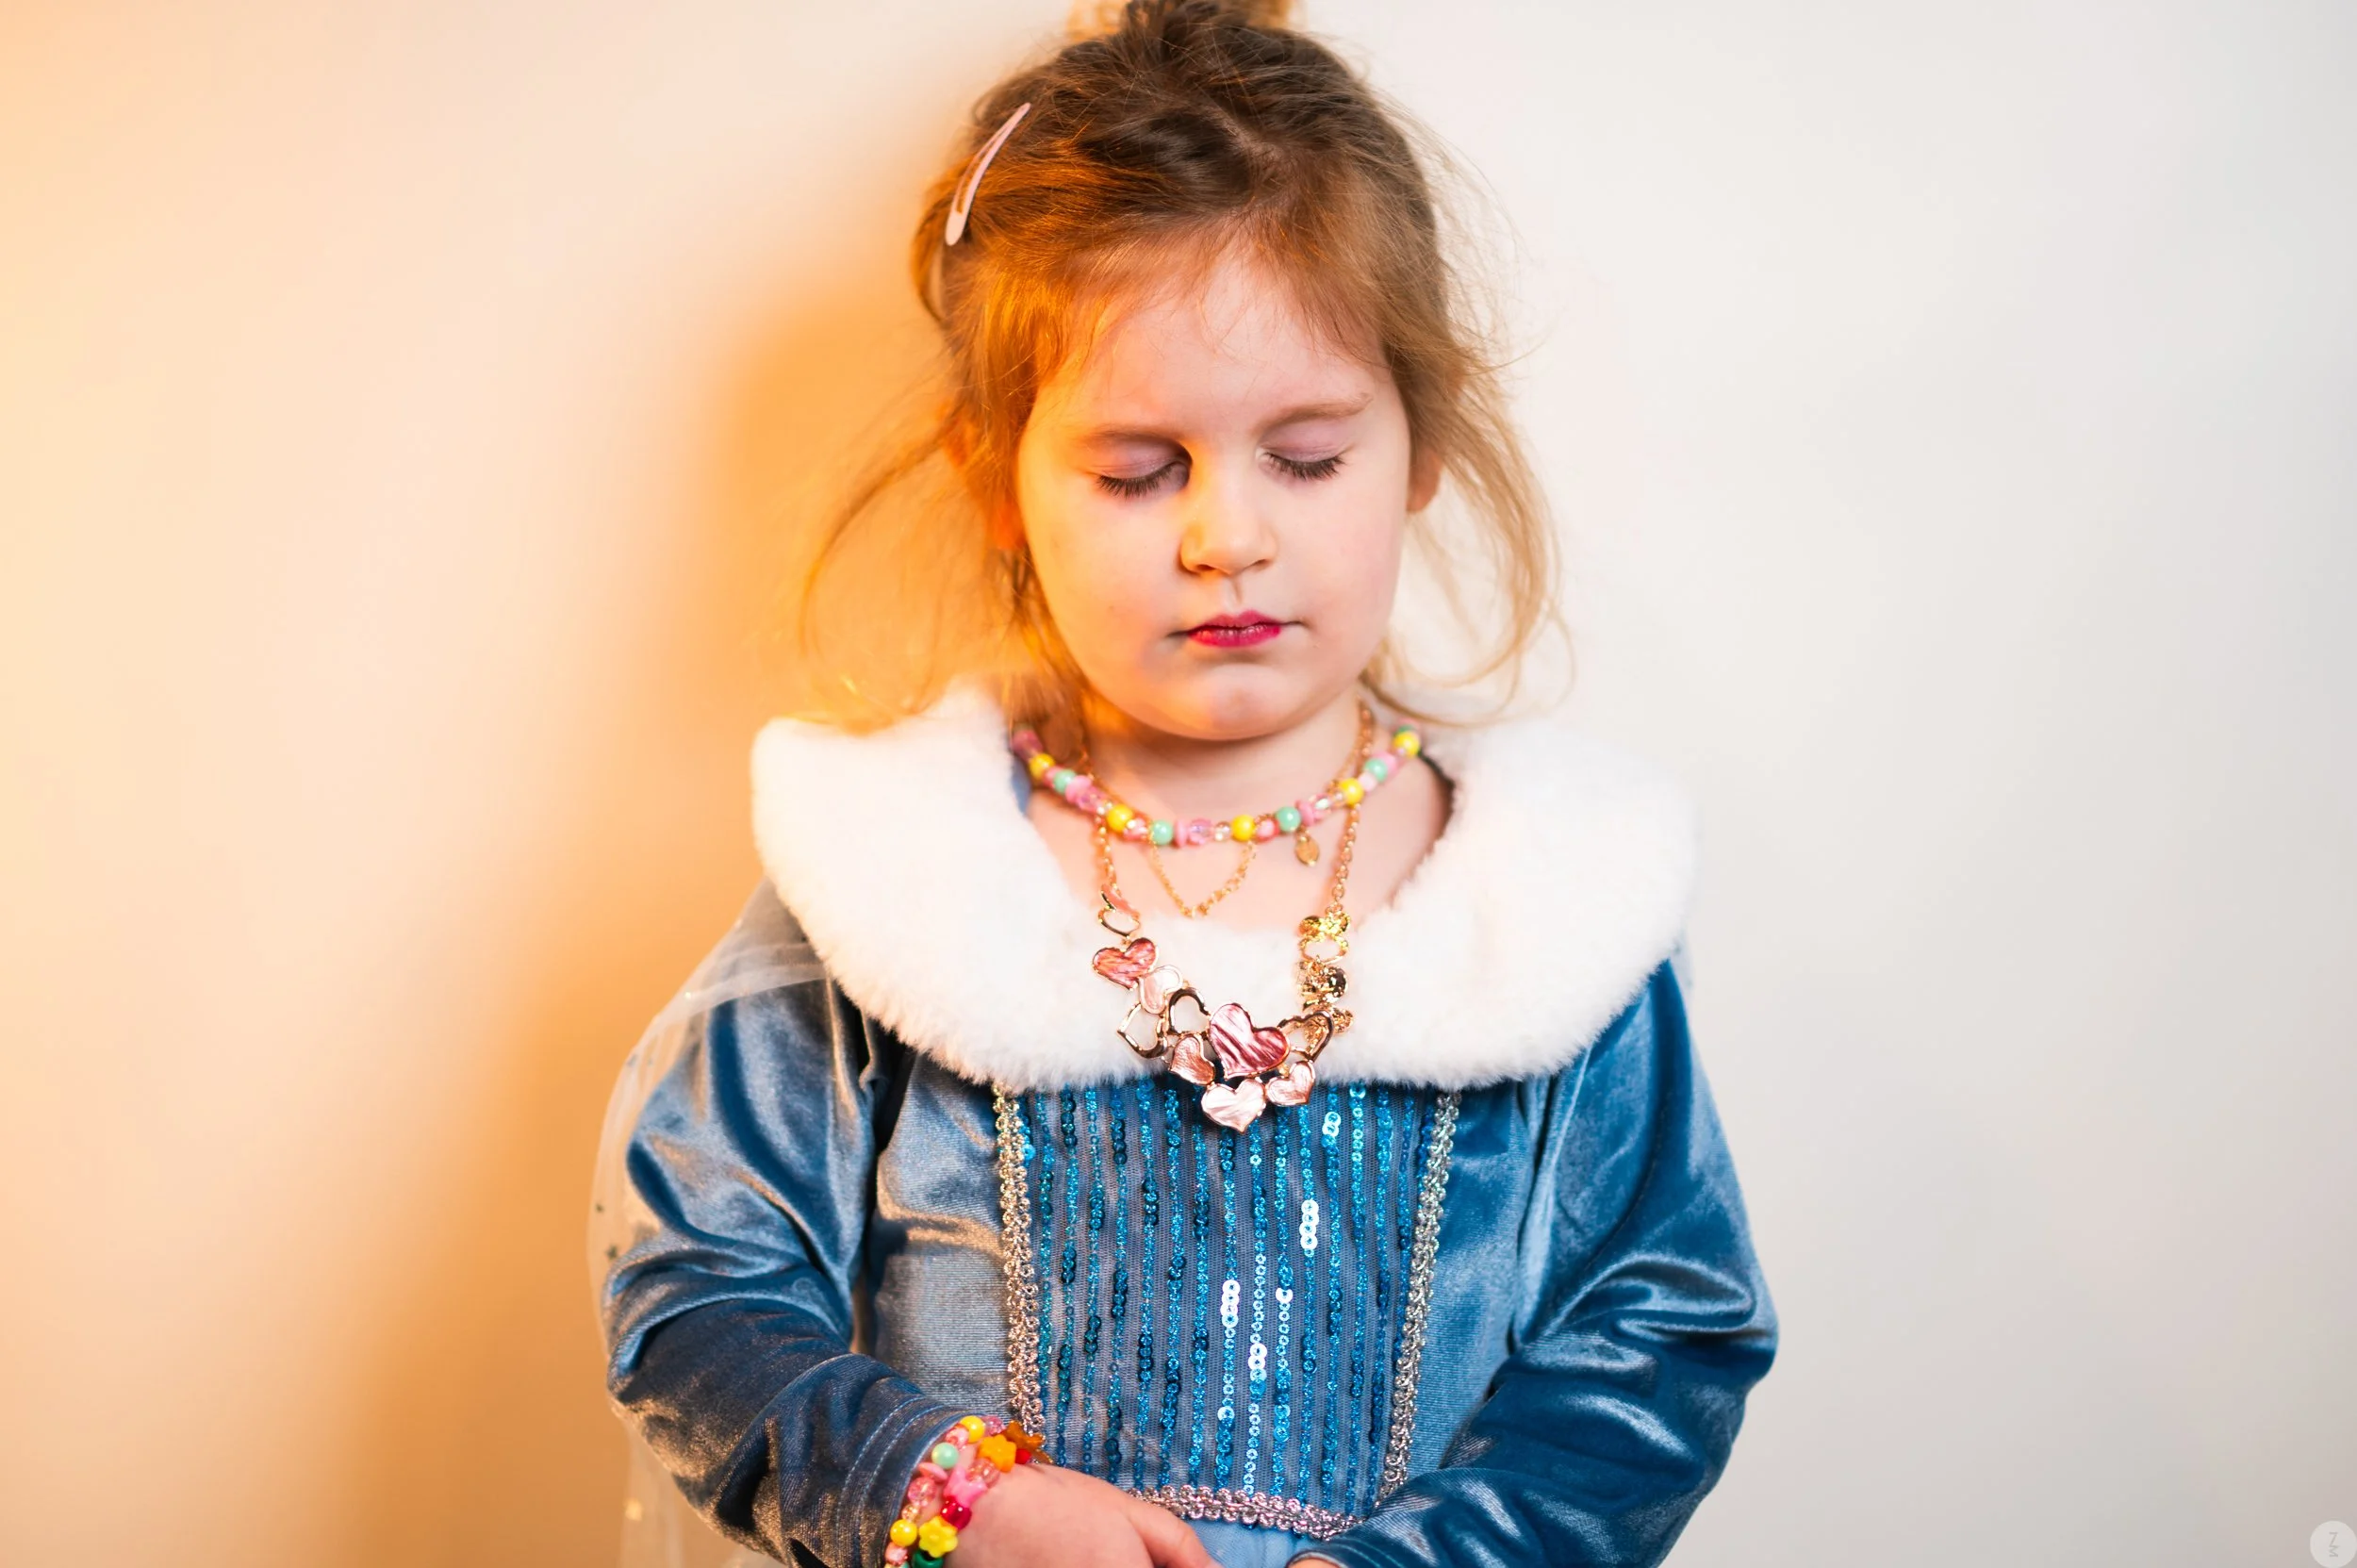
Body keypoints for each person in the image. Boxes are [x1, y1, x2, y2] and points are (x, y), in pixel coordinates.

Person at [587, 5, 1776, 1567]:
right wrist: (951, 1502)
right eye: (1139, 471)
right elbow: (699, 1287)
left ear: (1420, 446)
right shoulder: (890, 880)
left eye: (1307, 456)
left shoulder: (1552, 909)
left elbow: (1662, 1329)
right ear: (997, 478)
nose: (1229, 537)